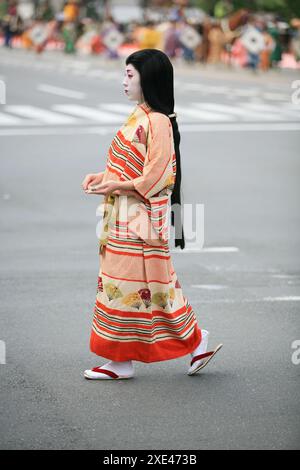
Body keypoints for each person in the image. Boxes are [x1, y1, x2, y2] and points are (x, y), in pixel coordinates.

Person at [81, 49, 222, 380]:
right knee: (143, 288)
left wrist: (114, 184)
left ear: (149, 79)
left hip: (141, 223)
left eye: (130, 75)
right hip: (125, 219)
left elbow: (157, 177)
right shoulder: (140, 116)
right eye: (125, 74)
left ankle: (184, 344)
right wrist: (101, 178)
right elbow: (128, 167)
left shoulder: (156, 121)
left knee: (144, 288)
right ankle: (129, 358)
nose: (124, 81)